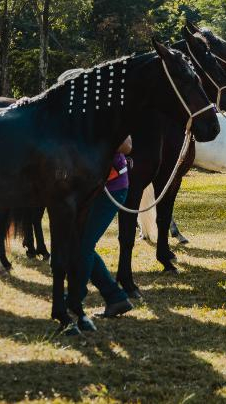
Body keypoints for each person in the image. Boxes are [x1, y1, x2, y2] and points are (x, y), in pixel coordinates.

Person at [66, 136, 135, 332]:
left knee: (82, 245)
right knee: (79, 243)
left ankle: (73, 300)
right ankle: (115, 297)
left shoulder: (109, 108)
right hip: (87, 190)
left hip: (111, 188)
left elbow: (127, 145)